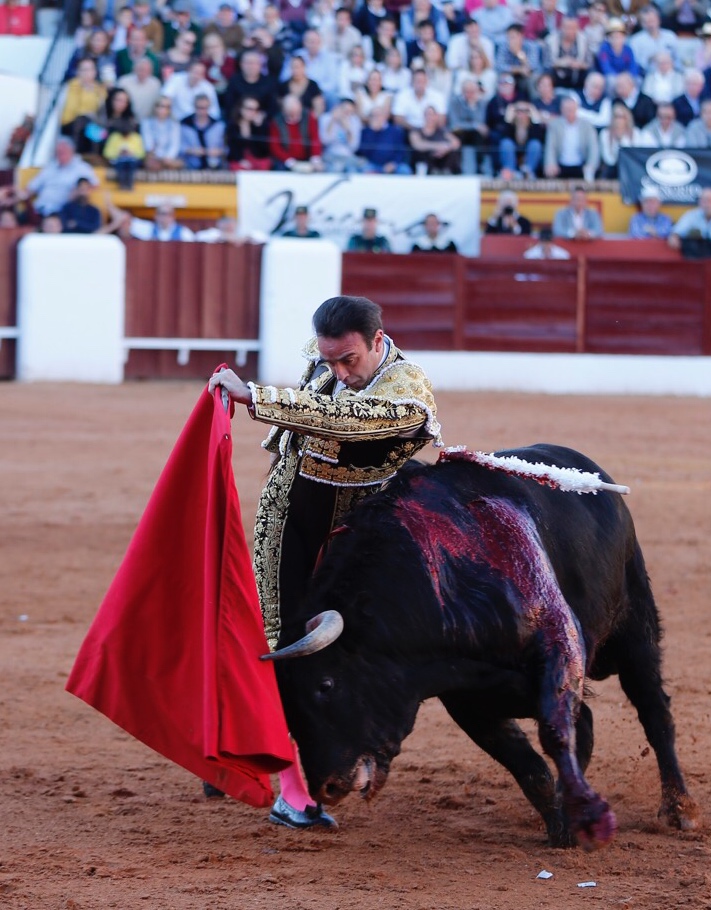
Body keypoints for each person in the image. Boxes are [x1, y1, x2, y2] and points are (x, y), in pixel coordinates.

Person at [207, 295, 441, 828]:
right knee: (271, 638)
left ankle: (281, 757)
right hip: (288, 520)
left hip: (357, 548)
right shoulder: (326, 361)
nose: (336, 370)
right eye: (328, 358)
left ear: (378, 341)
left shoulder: (408, 390)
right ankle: (277, 778)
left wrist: (255, 396)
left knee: (335, 661)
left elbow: (345, 418)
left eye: (348, 361)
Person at [0, 138, 98, 219]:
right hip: (40, 209)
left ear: (71, 151)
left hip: (63, 212)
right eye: (58, 152)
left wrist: (76, 193)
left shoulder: (82, 168)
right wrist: (12, 199)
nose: (60, 154)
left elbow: (93, 186)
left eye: (63, 151)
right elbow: (30, 189)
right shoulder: (50, 167)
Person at [543, 95, 600, 182]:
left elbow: (593, 148)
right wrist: (550, 164)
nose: (569, 112)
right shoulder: (554, 125)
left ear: (577, 109)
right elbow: (550, 147)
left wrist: (591, 165)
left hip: (581, 166)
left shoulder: (587, 125)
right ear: (561, 110)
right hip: (560, 166)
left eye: (571, 109)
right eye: (566, 109)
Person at [269, 95, 324, 172]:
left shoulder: (309, 117)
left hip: (307, 158)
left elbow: (315, 139)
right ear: (284, 111)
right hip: (286, 160)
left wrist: (315, 159)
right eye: (291, 114)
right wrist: (291, 162)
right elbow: (275, 147)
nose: (294, 116)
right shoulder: (277, 122)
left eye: (296, 113)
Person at [667, 187, 711, 255]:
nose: (707, 205)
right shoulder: (691, 215)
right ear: (700, 202)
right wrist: (674, 236)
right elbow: (677, 231)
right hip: (695, 260)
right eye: (704, 201)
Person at [179, 93, 226, 169]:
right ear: (194, 107)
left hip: (214, 167)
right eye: (199, 108)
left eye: (205, 108)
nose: (202, 111)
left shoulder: (218, 125)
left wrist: (216, 152)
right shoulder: (184, 124)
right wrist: (192, 151)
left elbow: (226, 148)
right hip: (190, 167)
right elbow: (178, 147)